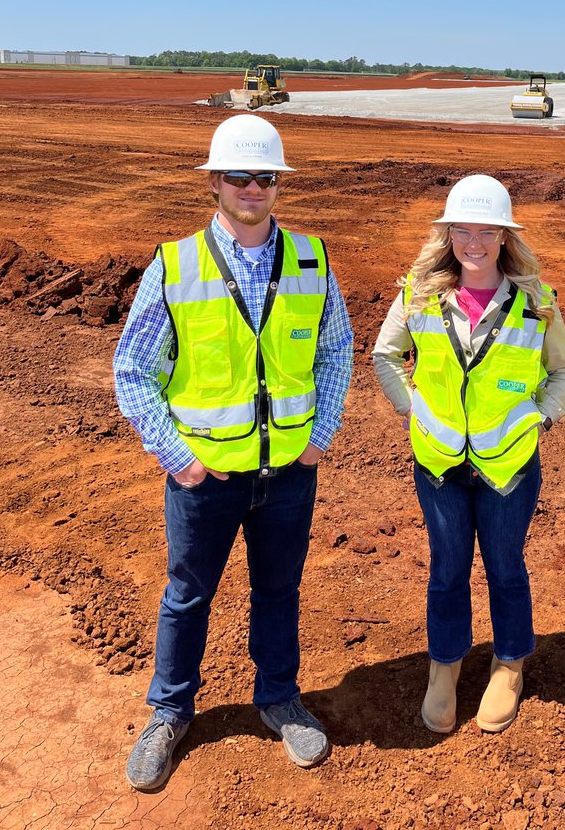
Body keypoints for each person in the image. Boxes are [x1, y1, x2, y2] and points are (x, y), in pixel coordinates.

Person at [114, 113, 353, 791]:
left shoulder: (313, 259)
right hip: (205, 478)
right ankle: (169, 712)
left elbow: (335, 351)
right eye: (239, 175)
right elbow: (133, 369)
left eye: (266, 176)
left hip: (286, 476)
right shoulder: (176, 263)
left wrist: (318, 437)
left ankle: (279, 696)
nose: (253, 186)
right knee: (188, 596)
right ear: (214, 182)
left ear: (279, 184)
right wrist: (177, 457)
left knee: (278, 591)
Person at [372, 174, 565, 735]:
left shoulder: (535, 301)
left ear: (506, 238)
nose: (475, 243)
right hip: (439, 465)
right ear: (448, 235)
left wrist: (544, 416)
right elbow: (385, 356)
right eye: (462, 230)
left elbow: (563, 371)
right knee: (447, 569)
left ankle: (509, 663)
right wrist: (415, 411)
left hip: (509, 465)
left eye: (487, 231)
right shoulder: (418, 294)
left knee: (506, 567)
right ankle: (445, 665)